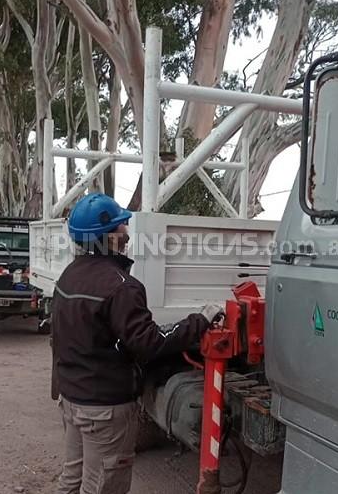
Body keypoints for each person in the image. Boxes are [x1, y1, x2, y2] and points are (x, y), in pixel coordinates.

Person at [52, 193, 223, 494]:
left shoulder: (68, 276)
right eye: (120, 227)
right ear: (106, 237)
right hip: (105, 407)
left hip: (72, 398)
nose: (127, 233)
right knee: (104, 485)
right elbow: (148, 343)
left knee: (72, 478)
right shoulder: (122, 287)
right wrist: (200, 321)